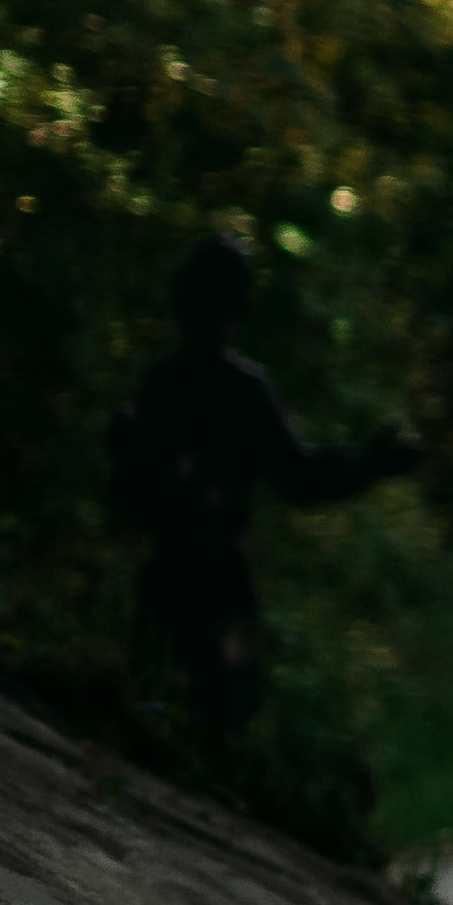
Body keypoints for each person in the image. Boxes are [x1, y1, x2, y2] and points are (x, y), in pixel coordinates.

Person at [108, 232, 410, 753]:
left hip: (195, 573)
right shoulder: (211, 388)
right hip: (197, 573)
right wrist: (370, 463)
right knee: (191, 715)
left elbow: (297, 475)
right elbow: (298, 476)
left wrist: (369, 463)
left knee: (199, 713)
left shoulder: (195, 385)